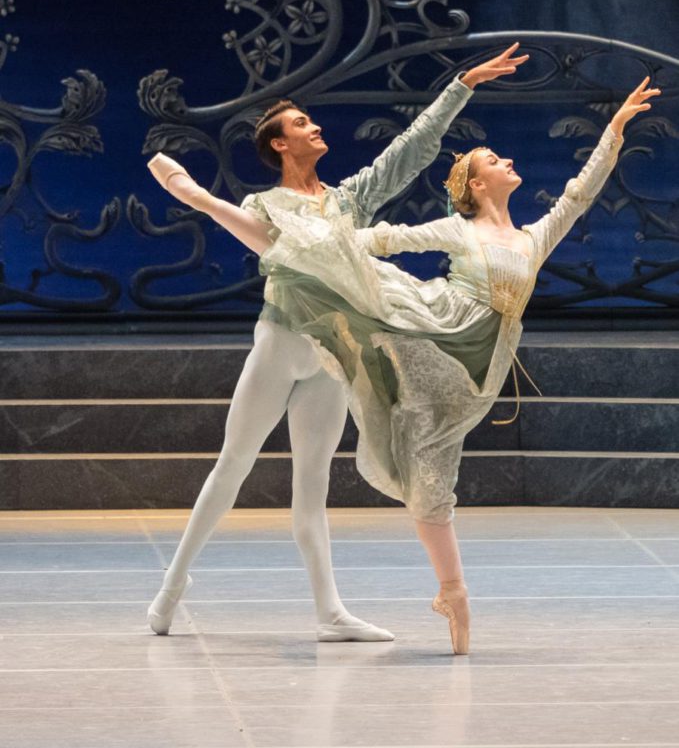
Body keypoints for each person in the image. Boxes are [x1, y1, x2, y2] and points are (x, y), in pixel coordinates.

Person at [145, 42, 528, 642]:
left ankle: (329, 612)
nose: (315, 126)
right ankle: (172, 586)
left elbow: (409, 153)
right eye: (301, 123)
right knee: (233, 465)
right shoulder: (266, 204)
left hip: (332, 353)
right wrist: (197, 197)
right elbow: (272, 247)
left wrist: (464, 85)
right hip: (279, 341)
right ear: (279, 143)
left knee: (313, 485)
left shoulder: (346, 202)